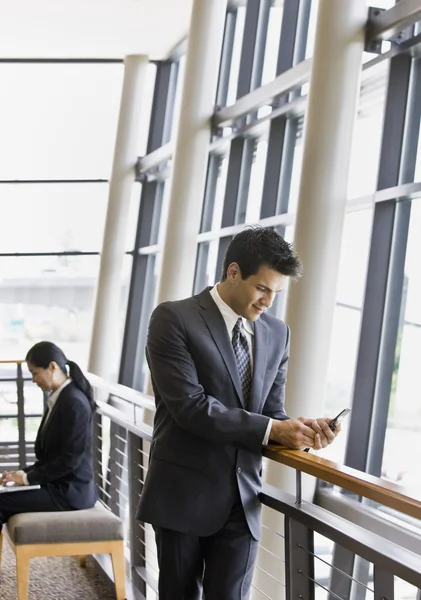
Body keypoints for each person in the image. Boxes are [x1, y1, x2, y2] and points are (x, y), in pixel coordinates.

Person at [136, 226, 340, 599]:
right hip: (183, 495)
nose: (267, 303)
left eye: (275, 293)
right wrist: (274, 429)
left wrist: (303, 430)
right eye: (262, 288)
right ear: (233, 272)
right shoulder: (173, 319)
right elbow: (190, 408)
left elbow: (271, 413)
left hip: (243, 503)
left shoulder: (277, 333)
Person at [0, 341, 97, 531]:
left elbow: (70, 460)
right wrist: (23, 473)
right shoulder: (61, 398)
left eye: (35, 373)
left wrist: (28, 479)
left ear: (52, 367)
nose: (33, 380)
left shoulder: (73, 402)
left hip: (69, 493)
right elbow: (52, 457)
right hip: (58, 486)